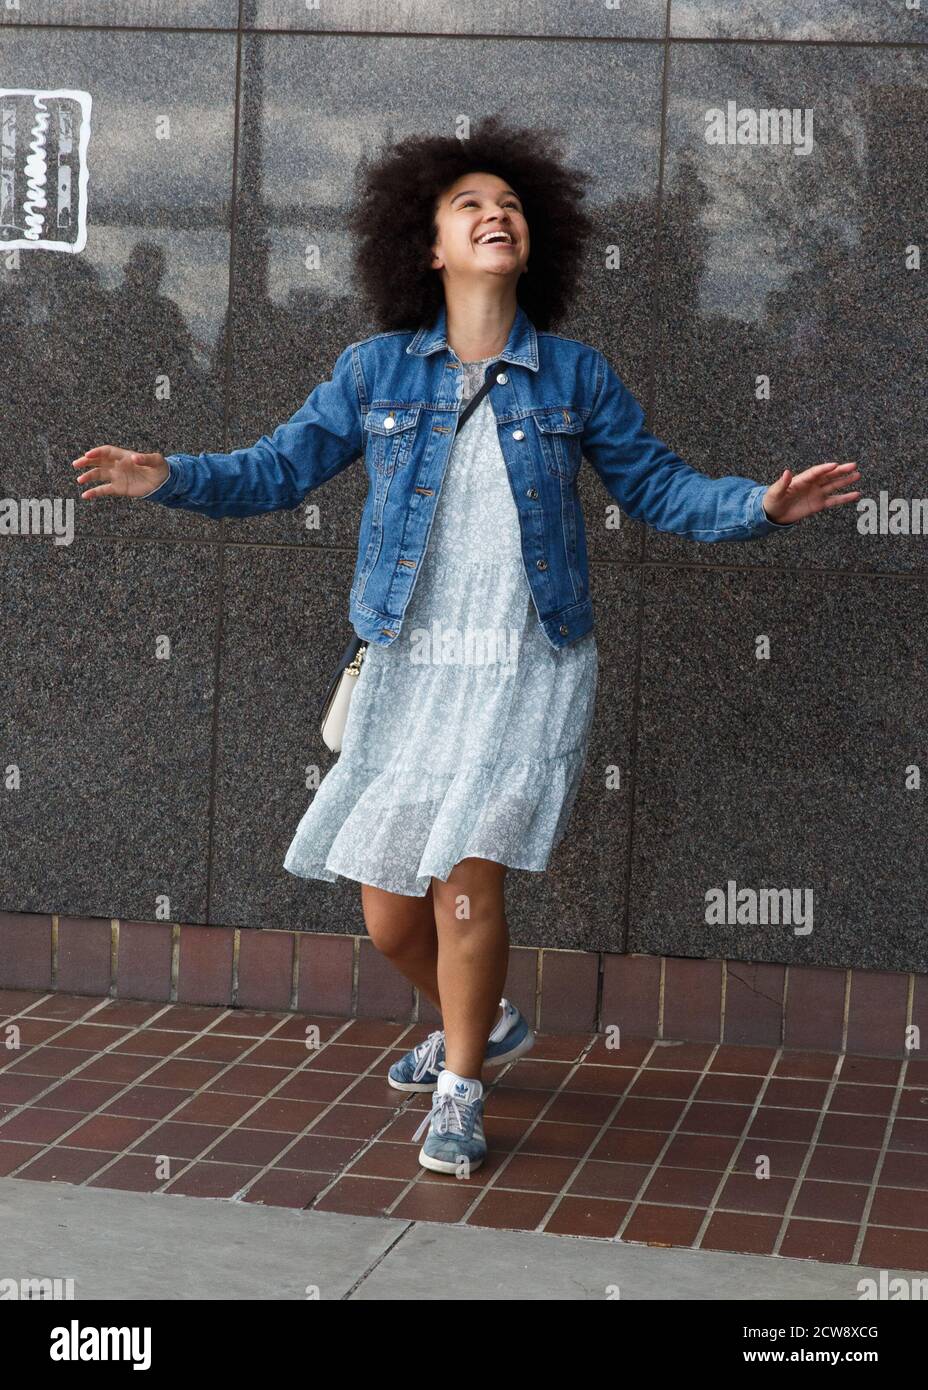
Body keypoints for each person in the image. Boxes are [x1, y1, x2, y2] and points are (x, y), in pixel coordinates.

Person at [69, 115, 862, 1178]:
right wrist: (168, 477)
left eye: (512, 206)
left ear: (533, 244)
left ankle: (458, 1091)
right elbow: (276, 470)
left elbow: (660, 485)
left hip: (526, 665)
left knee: (464, 885)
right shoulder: (374, 372)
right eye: (468, 205)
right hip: (412, 664)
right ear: (428, 246)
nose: (496, 214)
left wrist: (758, 505)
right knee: (391, 909)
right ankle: (476, 1020)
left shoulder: (573, 377)